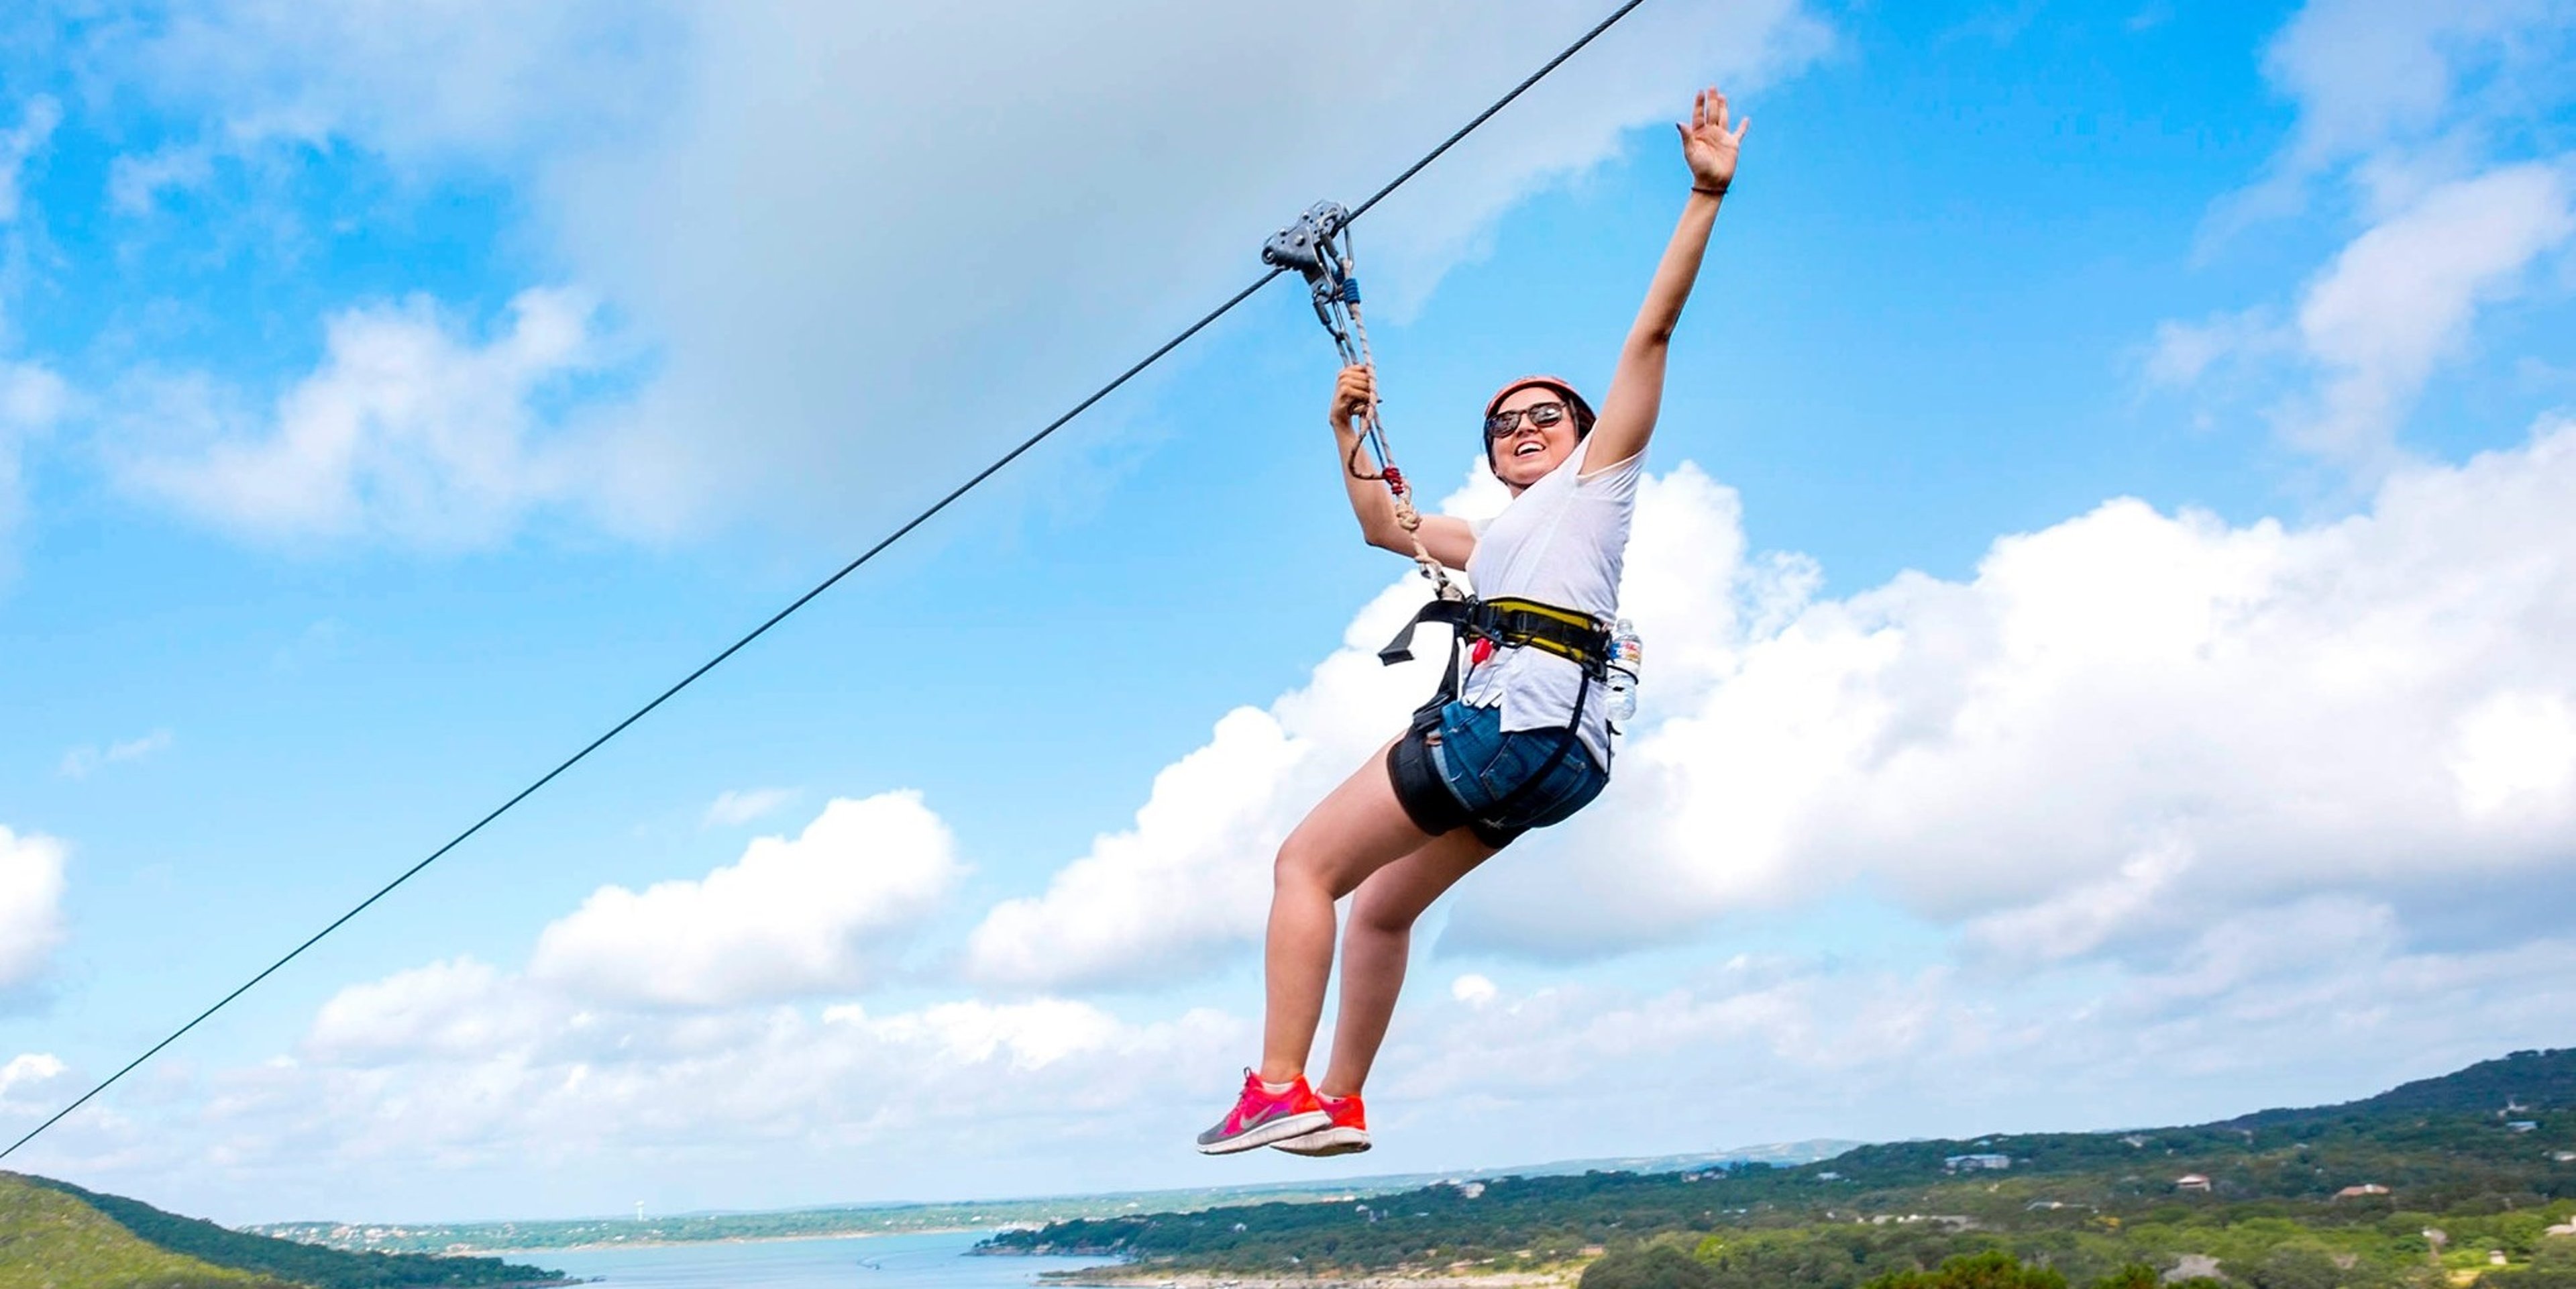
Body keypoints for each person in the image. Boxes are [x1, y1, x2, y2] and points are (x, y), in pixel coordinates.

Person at [1195, 87, 1748, 1158]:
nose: (1524, 426)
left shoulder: (1597, 488)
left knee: (1304, 866)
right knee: (1382, 906)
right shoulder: (1495, 539)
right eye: (1505, 425)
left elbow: (1653, 331)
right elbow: (1381, 526)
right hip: (1561, 758)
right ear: (1493, 459)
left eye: (1547, 415)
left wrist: (1705, 194)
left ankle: (1275, 1085)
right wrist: (1346, 431)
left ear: (1587, 435)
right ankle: (1340, 1101)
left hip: (1511, 731)